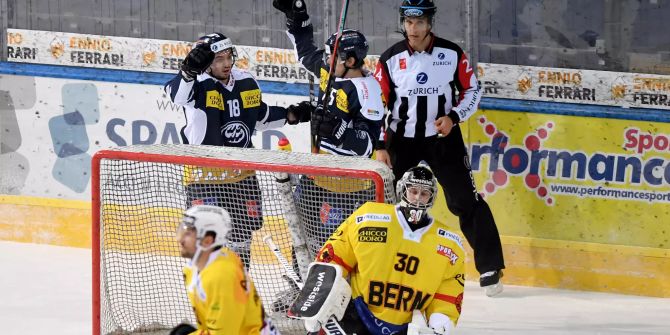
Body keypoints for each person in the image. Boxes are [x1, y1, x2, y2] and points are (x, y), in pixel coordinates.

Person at [373, 0, 505, 296]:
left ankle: (490, 266)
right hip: (401, 140)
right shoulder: (390, 59)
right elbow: (378, 104)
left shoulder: (452, 53)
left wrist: (454, 117)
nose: (413, 29)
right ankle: (382, 263)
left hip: (442, 138)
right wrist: (381, 144)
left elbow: (472, 89)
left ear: (430, 22)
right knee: (391, 202)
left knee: (464, 200)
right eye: (408, 22)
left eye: (419, 22)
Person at [164, 32, 311, 268]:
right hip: (204, 177)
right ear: (205, 62)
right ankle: (210, 294)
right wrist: (188, 71)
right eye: (217, 59)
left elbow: (260, 117)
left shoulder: (245, 81)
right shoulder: (197, 84)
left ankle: (238, 289)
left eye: (228, 57)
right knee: (206, 243)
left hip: (242, 176)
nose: (225, 64)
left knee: (241, 241)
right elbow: (175, 95)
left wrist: (292, 115)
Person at [290, 166, 465, 334]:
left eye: (424, 193)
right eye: (413, 191)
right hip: (357, 314)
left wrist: (441, 319)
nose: (418, 198)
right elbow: (333, 257)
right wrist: (316, 299)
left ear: (432, 197)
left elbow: (449, 287)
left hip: (406, 325)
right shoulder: (368, 217)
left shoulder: (449, 242)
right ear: (402, 190)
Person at [170, 205, 279, 335]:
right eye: (182, 231)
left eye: (188, 233)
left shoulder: (221, 276)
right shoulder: (194, 267)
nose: (180, 239)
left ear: (207, 240)